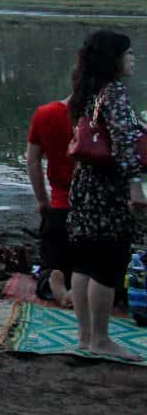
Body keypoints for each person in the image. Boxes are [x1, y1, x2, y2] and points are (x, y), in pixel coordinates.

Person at [65, 30, 146, 360]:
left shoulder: (86, 89)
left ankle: (86, 336)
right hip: (107, 189)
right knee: (108, 263)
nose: (133, 59)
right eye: (128, 53)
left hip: (85, 185)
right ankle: (101, 338)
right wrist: (135, 185)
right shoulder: (114, 93)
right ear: (113, 59)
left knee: (85, 260)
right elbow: (125, 143)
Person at [26, 91, 76, 306]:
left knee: (52, 264)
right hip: (95, 212)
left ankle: (51, 282)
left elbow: (33, 160)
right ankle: (77, 289)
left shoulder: (45, 113)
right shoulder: (101, 116)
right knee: (98, 269)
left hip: (59, 208)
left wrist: (42, 200)